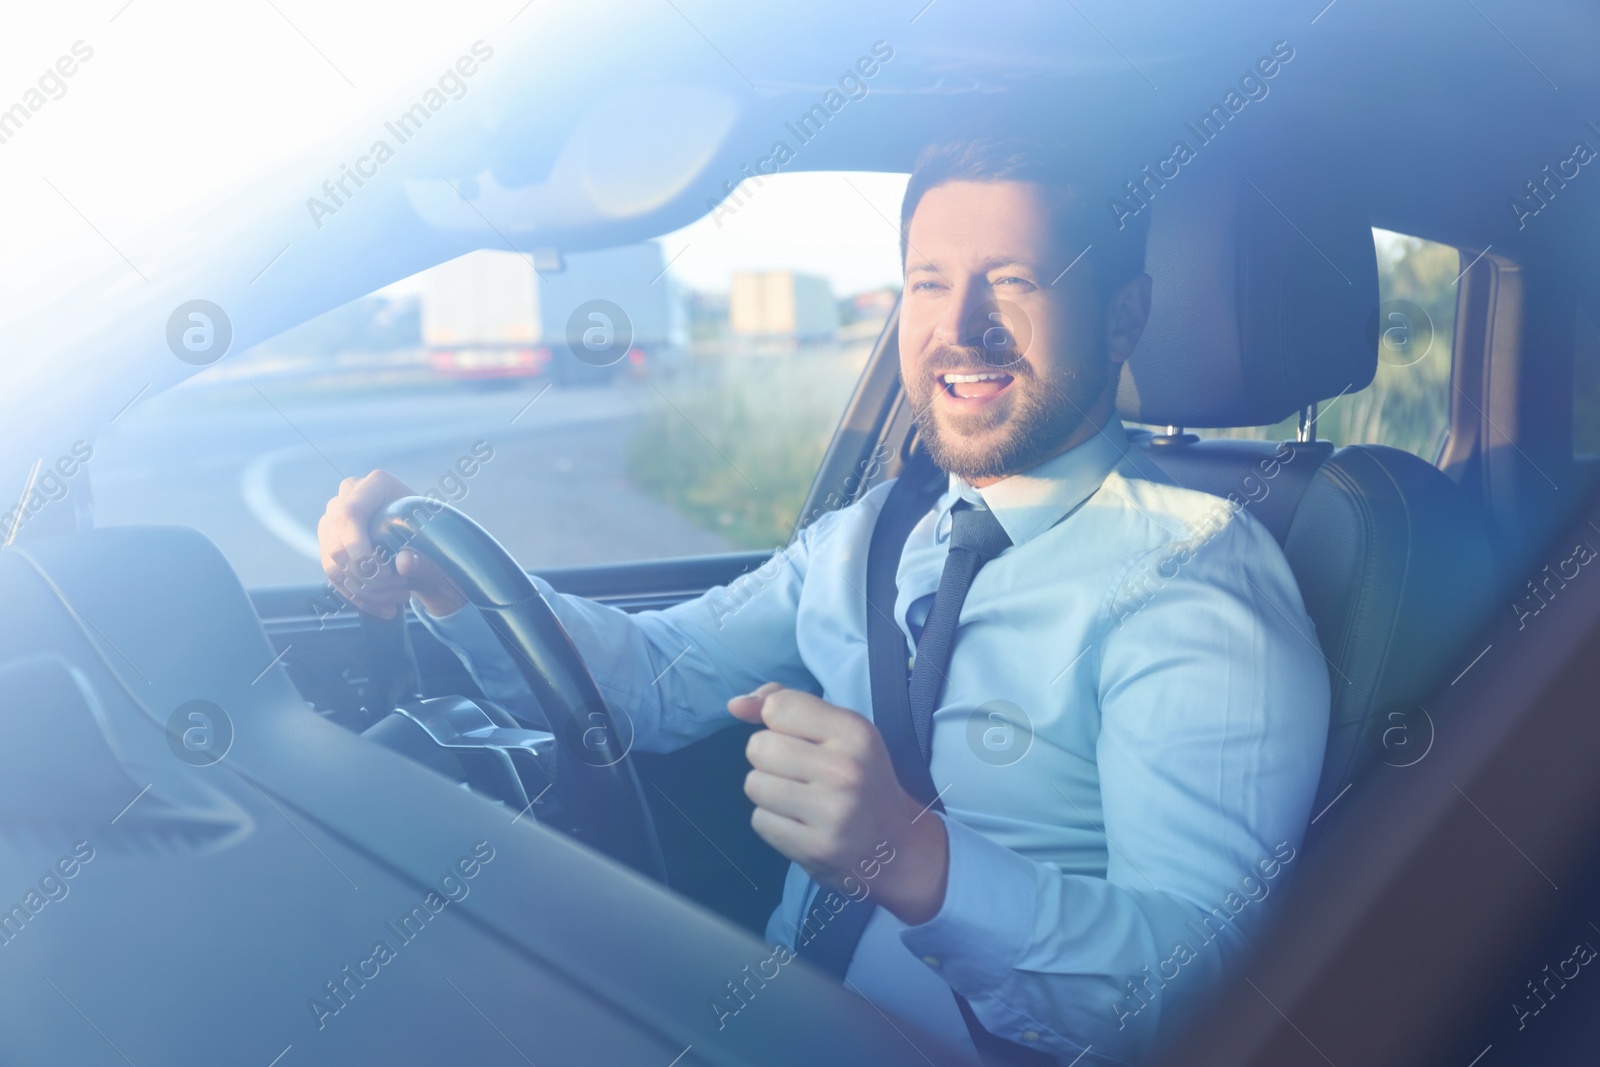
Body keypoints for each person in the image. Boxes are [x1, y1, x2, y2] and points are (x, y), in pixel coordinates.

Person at [317, 138, 1330, 1065]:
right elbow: (654, 682)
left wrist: (918, 860)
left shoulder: (1193, 572)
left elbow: (1194, 993)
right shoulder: (878, 529)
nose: (959, 326)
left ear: (1123, 317)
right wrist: (454, 584)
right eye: (929, 282)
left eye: (1012, 282)